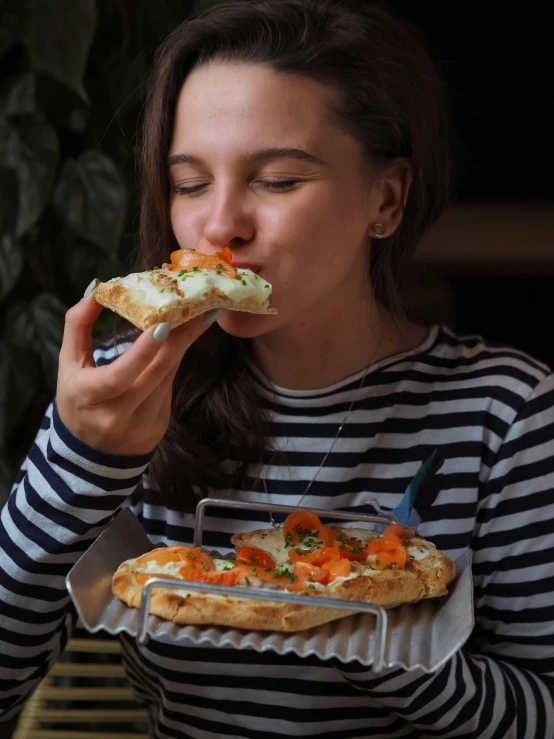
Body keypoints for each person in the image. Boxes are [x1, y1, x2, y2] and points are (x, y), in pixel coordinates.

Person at [1, 1, 553, 736]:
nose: (219, 224)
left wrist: (368, 630)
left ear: (385, 199)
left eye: (279, 180)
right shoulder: (119, 390)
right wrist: (79, 464)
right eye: (190, 183)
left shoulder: (509, 411)